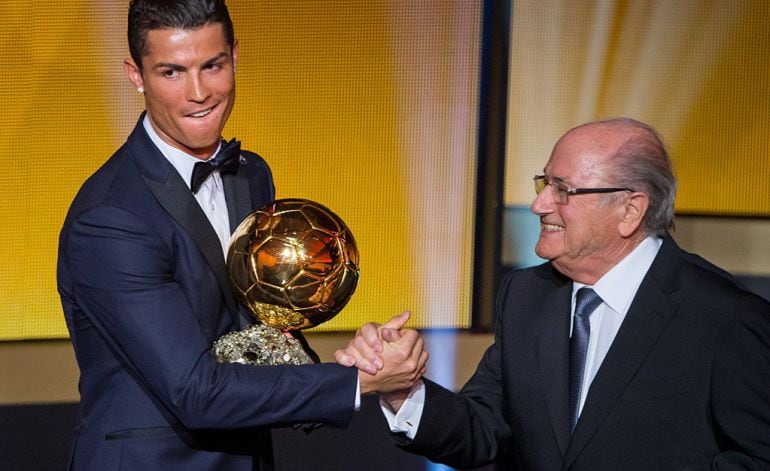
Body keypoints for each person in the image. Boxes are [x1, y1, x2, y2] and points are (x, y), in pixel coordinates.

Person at [57, 1, 425, 470]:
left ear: (235, 55)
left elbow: (256, 333)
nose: (199, 92)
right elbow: (194, 392)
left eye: (213, 65)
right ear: (136, 74)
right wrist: (352, 384)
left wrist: (358, 361)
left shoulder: (250, 176)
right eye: (172, 72)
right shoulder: (110, 218)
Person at [338, 118, 770, 470]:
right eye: (544, 183)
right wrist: (403, 390)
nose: (540, 204)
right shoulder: (527, 295)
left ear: (630, 210)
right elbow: (486, 430)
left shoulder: (724, 317)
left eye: (563, 190)